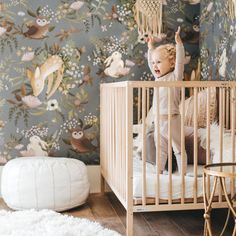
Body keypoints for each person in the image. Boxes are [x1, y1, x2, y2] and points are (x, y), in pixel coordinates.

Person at [147, 27, 187, 174]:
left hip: (172, 119)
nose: (155, 65)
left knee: (178, 149)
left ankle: (182, 174)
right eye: (153, 63)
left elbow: (180, 63)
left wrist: (179, 45)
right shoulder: (157, 78)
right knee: (161, 150)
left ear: (171, 63)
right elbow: (150, 63)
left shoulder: (175, 77)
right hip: (158, 120)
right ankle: (158, 173)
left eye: (159, 62)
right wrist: (151, 48)